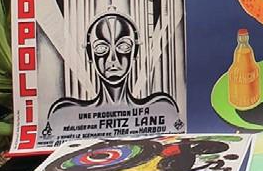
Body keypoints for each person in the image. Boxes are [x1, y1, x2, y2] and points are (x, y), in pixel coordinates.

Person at [45, 11, 180, 137]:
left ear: (135, 52)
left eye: (123, 47)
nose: (113, 59)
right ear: (90, 55)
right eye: (101, 48)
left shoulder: (163, 107)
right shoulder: (62, 112)